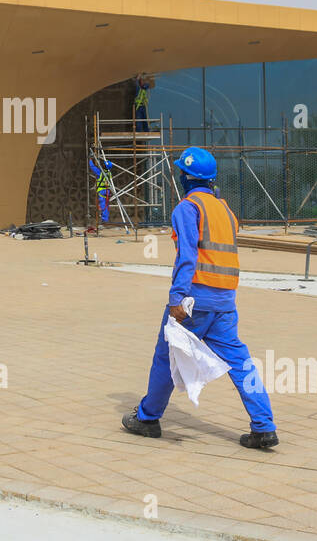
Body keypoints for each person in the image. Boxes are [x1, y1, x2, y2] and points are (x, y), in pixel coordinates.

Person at [122, 147, 278, 448]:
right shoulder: (225, 210)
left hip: (194, 299)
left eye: (182, 171)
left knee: (167, 357)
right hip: (225, 301)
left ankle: (148, 418)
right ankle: (264, 426)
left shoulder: (188, 207)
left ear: (186, 177)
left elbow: (188, 255)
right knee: (240, 361)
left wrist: (177, 296)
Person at [88, 157, 113, 227]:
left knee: (103, 206)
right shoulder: (109, 173)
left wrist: (90, 160)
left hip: (102, 191)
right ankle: (105, 219)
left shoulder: (100, 173)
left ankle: (104, 221)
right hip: (107, 191)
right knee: (106, 206)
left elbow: (93, 167)